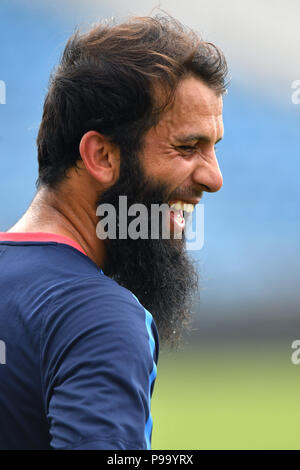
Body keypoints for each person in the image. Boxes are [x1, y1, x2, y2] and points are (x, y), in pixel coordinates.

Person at [0, 14, 227, 450]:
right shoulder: (97, 317)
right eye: (187, 147)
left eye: (214, 147)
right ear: (101, 155)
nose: (214, 178)